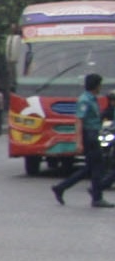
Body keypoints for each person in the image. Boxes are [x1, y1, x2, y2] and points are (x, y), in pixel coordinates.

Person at [51, 73, 107, 207]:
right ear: (95, 85)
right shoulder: (85, 100)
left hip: (94, 134)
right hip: (90, 136)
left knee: (90, 168)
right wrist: (78, 142)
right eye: (100, 84)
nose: (101, 87)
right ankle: (97, 197)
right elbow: (79, 121)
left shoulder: (92, 99)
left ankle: (61, 187)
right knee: (97, 167)